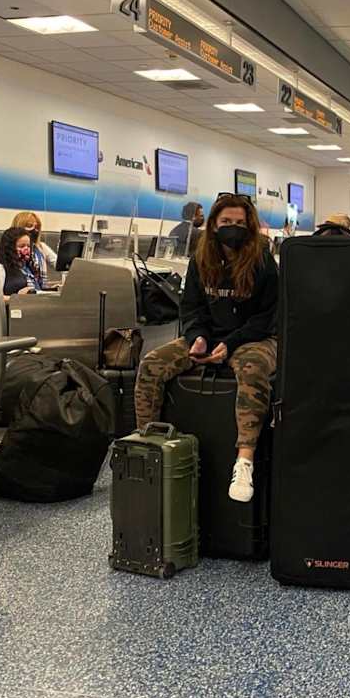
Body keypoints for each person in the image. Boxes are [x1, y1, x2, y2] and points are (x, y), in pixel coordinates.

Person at [135, 193, 277, 503]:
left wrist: (230, 343)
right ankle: (148, 443)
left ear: (250, 226)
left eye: (240, 222)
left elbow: (267, 317)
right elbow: (191, 308)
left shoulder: (263, 261)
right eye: (226, 221)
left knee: (252, 370)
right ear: (213, 224)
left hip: (253, 338)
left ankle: (244, 460)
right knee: (152, 364)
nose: (233, 227)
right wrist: (197, 337)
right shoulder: (201, 259)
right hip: (209, 336)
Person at [0, 227, 43, 299]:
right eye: (21, 246)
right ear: (9, 247)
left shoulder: (27, 267)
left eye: (28, 246)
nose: (26, 249)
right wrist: (17, 298)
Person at [11, 211, 56, 285]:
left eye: (37, 227)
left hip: (40, 290)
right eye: (30, 225)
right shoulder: (9, 251)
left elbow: (59, 264)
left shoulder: (41, 247)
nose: (34, 230)